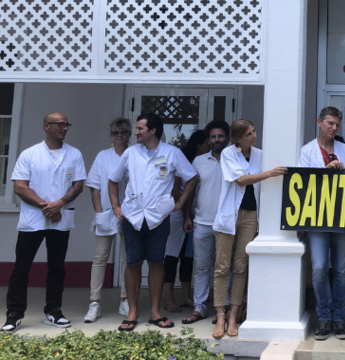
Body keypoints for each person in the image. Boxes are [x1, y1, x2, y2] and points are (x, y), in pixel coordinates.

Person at [108, 112, 199, 332]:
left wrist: (179, 203)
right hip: (132, 217)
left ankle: (156, 312)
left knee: (157, 263)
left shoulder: (172, 153)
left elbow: (192, 177)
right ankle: (132, 312)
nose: (135, 132)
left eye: (139, 128)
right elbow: (113, 180)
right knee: (132, 264)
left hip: (159, 218)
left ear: (153, 130)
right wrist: (116, 206)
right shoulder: (130, 153)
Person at [3, 112, 86, 333]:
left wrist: (59, 204)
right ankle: (14, 314)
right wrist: (46, 207)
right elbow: (20, 186)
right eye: (59, 124)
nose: (64, 128)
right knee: (22, 267)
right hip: (33, 219)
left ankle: (54, 311)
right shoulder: (30, 154)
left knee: (57, 266)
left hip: (61, 218)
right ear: (46, 126)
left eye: (66, 124)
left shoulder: (74, 154)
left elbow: (78, 185)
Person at [212, 119, 287, 339]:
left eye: (254, 132)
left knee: (241, 266)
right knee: (222, 266)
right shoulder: (228, 154)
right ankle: (220, 315)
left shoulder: (260, 154)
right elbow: (241, 180)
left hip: (251, 215)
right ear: (237, 138)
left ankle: (234, 315)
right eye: (249, 134)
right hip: (229, 215)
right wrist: (269, 174)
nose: (254, 136)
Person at [300, 106, 345, 340]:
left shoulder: (344, 149)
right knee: (320, 268)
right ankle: (323, 316)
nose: (333, 128)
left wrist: (342, 172)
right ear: (319, 122)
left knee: (341, 270)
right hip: (317, 217)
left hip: (342, 218)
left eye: (337, 125)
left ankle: (338, 318)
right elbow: (302, 184)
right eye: (330, 123)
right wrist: (325, 170)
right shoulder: (307, 151)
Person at [83, 117, 132, 324]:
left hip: (130, 214)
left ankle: (125, 299)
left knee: (128, 259)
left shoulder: (135, 154)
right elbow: (94, 186)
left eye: (123, 132)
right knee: (100, 257)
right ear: (111, 135)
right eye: (115, 133)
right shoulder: (102, 156)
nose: (119, 136)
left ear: (129, 134)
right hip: (106, 212)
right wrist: (98, 212)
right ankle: (94, 302)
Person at [181, 121, 230, 325]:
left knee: (224, 267)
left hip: (227, 223)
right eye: (213, 137)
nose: (216, 140)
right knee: (201, 267)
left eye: (220, 136)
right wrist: (187, 217)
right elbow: (190, 191)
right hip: (202, 223)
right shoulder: (198, 161)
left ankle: (223, 307)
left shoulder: (234, 160)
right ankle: (199, 307)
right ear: (208, 139)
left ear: (227, 138)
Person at [164, 129, 209, 313]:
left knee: (188, 258)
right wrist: (185, 214)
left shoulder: (206, 163)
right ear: (198, 144)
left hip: (194, 216)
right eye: (206, 142)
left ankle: (185, 297)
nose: (209, 145)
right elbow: (176, 190)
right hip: (178, 214)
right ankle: (168, 298)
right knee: (172, 257)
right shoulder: (183, 160)